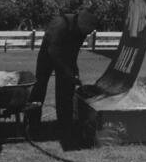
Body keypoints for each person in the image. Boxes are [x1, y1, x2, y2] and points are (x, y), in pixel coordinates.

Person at [28, 9, 98, 143]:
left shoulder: (82, 30)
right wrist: (67, 70)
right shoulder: (60, 24)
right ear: (80, 23)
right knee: (39, 88)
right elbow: (53, 52)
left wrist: (74, 71)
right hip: (47, 54)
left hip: (64, 55)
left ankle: (65, 125)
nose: (85, 35)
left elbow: (74, 52)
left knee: (66, 90)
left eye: (87, 33)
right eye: (85, 32)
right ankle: (33, 125)